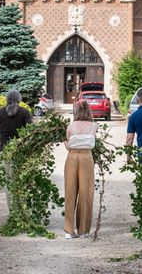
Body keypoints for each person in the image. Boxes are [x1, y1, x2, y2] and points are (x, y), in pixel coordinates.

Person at [0, 90, 32, 209]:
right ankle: (23, 209)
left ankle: (12, 211)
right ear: (19, 100)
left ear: (6, 99)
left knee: (9, 182)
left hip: (5, 151)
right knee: (22, 180)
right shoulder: (24, 113)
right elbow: (31, 131)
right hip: (21, 151)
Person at [63, 101, 97, 239]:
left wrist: (65, 143)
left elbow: (68, 145)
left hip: (72, 157)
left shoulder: (70, 126)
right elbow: (92, 143)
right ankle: (83, 230)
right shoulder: (94, 126)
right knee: (85, 193)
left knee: (70, 192)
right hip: (86, 158)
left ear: (76, 112)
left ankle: (69, 230)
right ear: (89, 112)